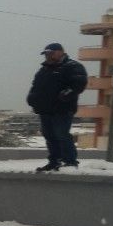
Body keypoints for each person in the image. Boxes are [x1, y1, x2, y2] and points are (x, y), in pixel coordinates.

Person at [27, 42, 88, 171]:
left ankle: (70, 161)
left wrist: (67, 94)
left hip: (63, 109)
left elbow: (79, 84)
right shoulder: (43, 70)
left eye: (51, 53)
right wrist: (32, 98)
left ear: (61, 52)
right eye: (46, 54)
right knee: (49, 135)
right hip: (45, 110)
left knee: (61, 134)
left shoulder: (72, 66)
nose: (48, 56)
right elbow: (36, 87)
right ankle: (55, 161)